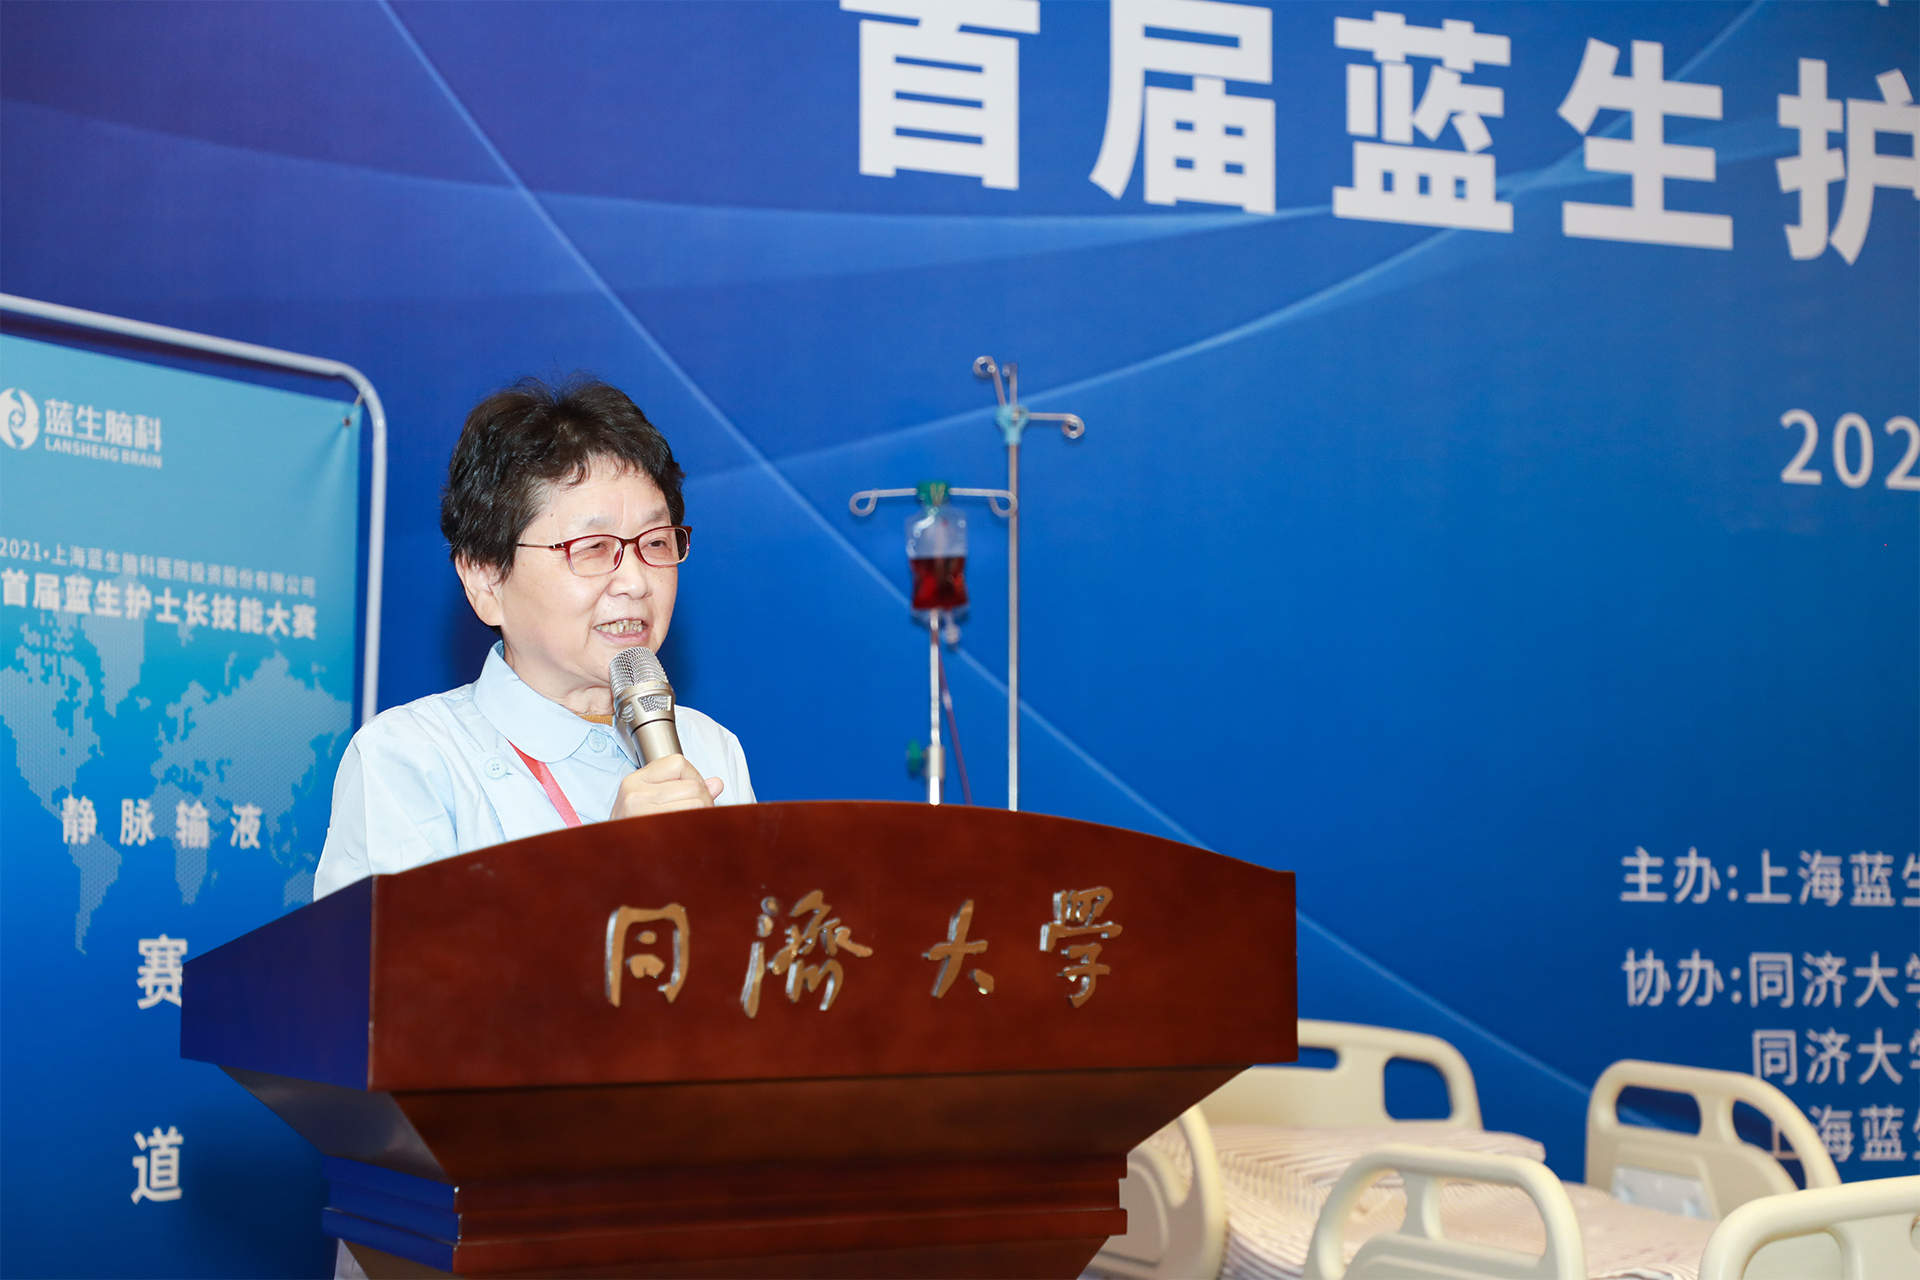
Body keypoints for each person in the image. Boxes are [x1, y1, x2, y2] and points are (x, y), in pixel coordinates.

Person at [313, 377, 753, 901]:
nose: (636, 582)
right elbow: (392, 956)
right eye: (592, 547)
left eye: (655, 542)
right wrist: (608, 867)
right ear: (486, 579)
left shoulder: (709, 748)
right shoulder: (412, 758)